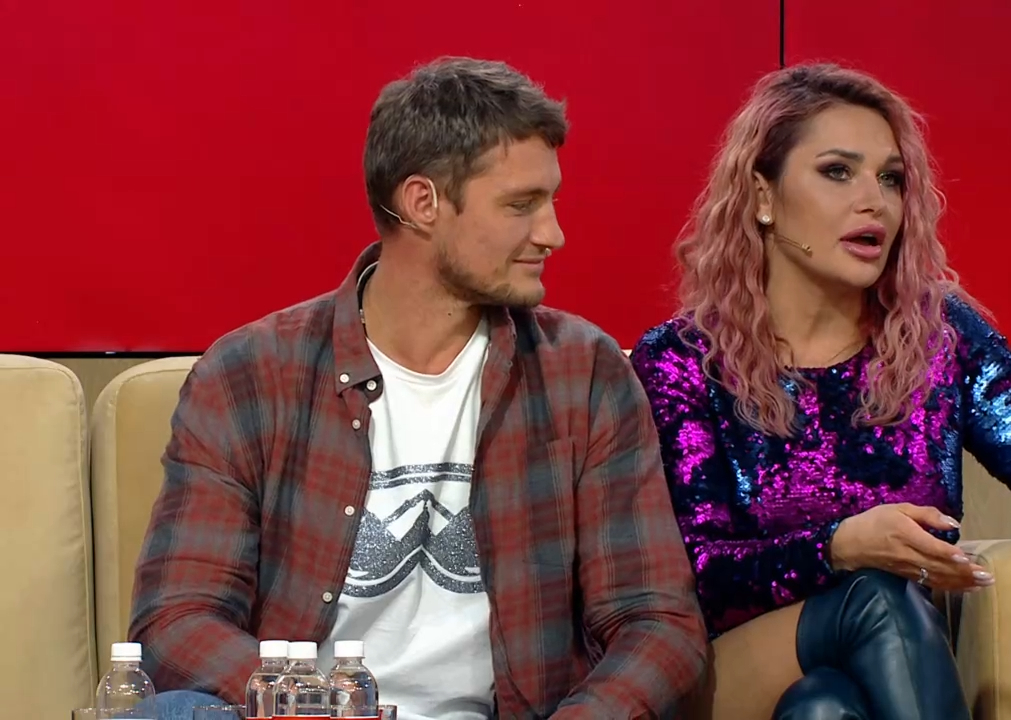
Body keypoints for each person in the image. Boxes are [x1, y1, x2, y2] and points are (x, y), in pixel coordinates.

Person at [129, 56, 707, 720]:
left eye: (551, 202)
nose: (553, 234)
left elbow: (656, 621)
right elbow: (177, 619)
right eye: (521, 205)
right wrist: (317, 707)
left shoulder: (583, 372)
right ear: (422, 203)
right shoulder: (250, 376)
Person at [628, 63, 1011, 720]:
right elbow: (692, 575)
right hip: (731, 673)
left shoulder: (938, 339)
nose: (873, 201)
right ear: (763, 195)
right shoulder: (683, 359)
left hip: (880, 680)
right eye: (837, 172)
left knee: (824, 708)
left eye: (891, 179)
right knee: (878, 595)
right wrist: (839, 547)